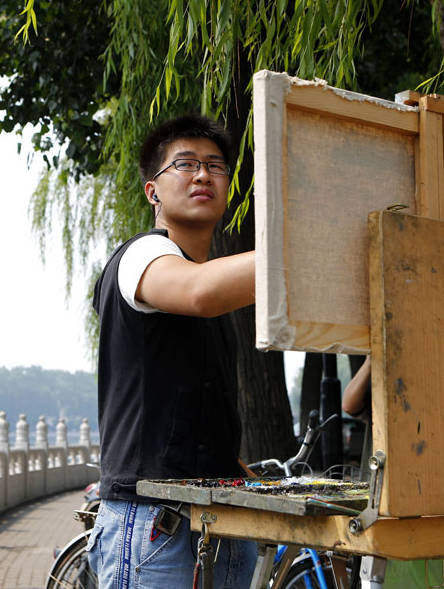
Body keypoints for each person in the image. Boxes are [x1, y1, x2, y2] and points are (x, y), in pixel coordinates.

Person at [88, 115, 257, 588]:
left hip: (223, 523)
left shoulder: (216, 296)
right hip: (151, 526)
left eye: (215, 166)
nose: (202, 175)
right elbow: (199, 291)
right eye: (184, 164)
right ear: (153, 191)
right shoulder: (142, 256)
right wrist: (301, 251)